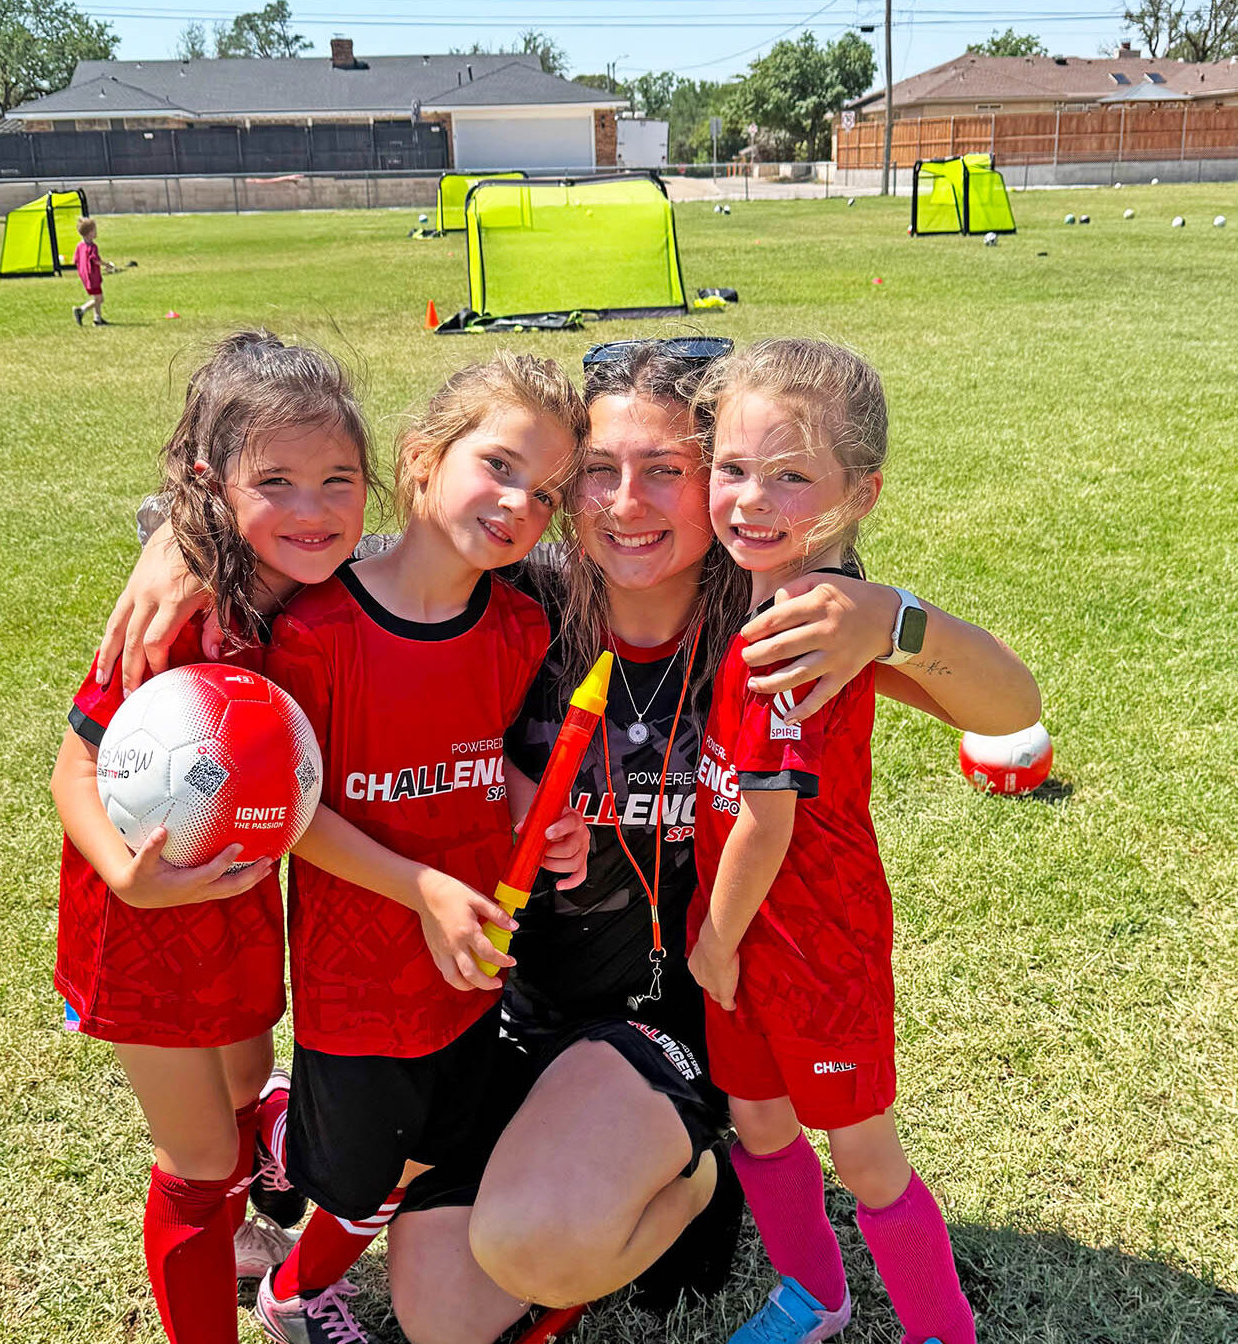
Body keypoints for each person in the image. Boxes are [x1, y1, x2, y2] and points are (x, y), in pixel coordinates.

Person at [96, 338, 1039, 1343]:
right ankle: (569, 1165)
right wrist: (184, 541)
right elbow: (353, 549)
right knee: (444, 1319)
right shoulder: (525, 595)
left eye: (666, 471)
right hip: (503, 1012)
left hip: (664, 1017)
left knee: (540, 1238)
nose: (626, 503)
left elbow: (1008, 704)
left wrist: (890, 617)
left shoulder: (775, 610)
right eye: (598, 473)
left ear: (710, 478)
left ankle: (694, 1170)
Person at [251, 353, 592, 1344]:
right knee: (360, 1173)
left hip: (470, 963)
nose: (522, 502)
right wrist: (420, 886)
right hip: (357, 975)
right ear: (420, 461)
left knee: (417, 1158)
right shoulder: (315, 631)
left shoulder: (521, 625)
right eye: (498, 464)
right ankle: (288, 1196)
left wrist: (545, 823)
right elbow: (291, 814)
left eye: (550, 492)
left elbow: (489, 761)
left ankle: (292, 1284)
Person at [686, 338, 1022, 1344]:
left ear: (858, 492)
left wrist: (711, 940)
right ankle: (813, 1294)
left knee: (865, 1156)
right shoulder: (761, 588)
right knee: (758, 1120)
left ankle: (939, 1329)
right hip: (750, 941)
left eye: (792, 476)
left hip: (810, 944)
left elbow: (767, 816)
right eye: (733, 468)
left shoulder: (801, 626)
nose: (752, 499)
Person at [49, 332, 372, 1344]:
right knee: (197, 1168)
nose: (314, 510)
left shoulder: (329, 596)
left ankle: (242, 1230)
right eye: (277, 482)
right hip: (141, 920)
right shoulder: (173, 623)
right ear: (209, 483)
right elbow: (74, 766)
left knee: (240, 1088)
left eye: (339, 480)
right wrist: (130, 881)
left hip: (240, 902)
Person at [72, 216, 107, 326]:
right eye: (94, 230)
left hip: (85, 276)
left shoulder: (79, 246)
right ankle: (81, 310)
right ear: (89, 233)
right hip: (93, 277)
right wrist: (107, 265)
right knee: (99, 299)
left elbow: (75, 260)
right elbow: (96, 260)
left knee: (96, 296)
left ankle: (97, 318)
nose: (96, 232)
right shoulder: (92, 247)